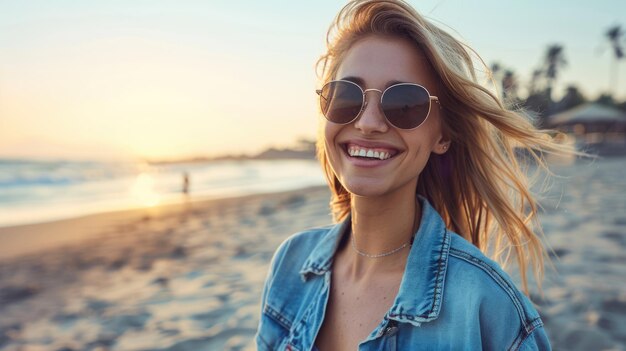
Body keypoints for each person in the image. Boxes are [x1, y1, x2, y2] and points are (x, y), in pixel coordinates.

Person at [256, 1, 578, 350]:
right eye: (347, 96)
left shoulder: (486, 304)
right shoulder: (290, 264)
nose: (367, 123)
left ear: (442, 136)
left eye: (404, 103)